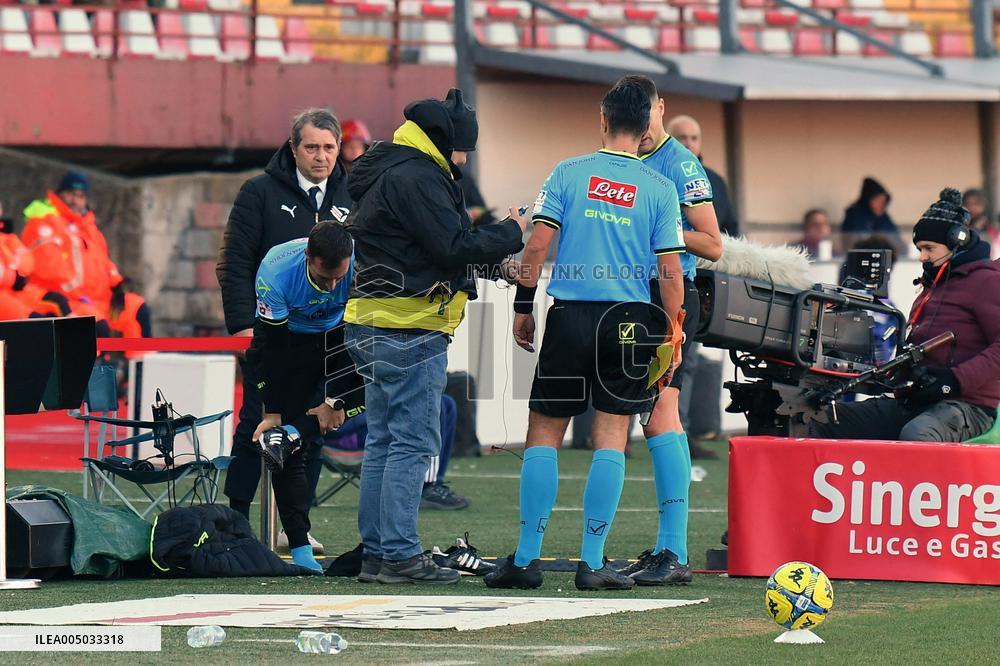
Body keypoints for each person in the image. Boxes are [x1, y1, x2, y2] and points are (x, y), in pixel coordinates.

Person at [484, 79, 686, 592]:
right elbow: (669, 270)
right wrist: (674, 330)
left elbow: (535, 249)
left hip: (570, 315)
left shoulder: (568, 173)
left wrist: (525, 305)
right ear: (645, 130)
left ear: (602, 120)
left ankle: (526, 559)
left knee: (544, 434)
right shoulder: (660, 189)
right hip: (632, 321)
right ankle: (591, 563)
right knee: (612, 437)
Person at [344, 88, 525, 584]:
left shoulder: (389, 165)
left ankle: (379, 555)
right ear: (444, 141)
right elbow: (450, 246)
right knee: (410, 443)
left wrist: (490, 263)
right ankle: (400, 555)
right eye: (463, 149)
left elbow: (422, 249)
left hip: (370, 322)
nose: (464, 159)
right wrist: (511, 230)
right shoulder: (418, 176)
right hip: (410, 327)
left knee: (383, 441)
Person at [217, 107, 352, 555]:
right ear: (293, 148)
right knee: (254, 423)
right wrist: (240, 324)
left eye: (329, 147)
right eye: (311, 147)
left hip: (325, 336)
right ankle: (235, 520)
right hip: (270, 330)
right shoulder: (258, 191)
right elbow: (235, 260)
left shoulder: (354, 195)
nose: (321, 156)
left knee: (308, 429)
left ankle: (295, 525)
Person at [607, 75, 722, 586]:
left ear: (660, 107)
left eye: (651, 112)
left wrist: (658, 226)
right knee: (648, 417)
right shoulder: (619, 156)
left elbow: (713, 243)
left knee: (659, 417)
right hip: (630, 297)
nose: (646, 124)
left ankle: (673, 551)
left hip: (669, 297)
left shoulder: (680, 165)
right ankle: (667, 549)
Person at [810, 188, 999, 442]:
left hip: (969, 407)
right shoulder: (932, 286)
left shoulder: (987, 282)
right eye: (919, 248)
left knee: (917, 434)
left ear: (958, 240)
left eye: (929, 248)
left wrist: (954, 379)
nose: (922, 256)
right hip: (919, 401)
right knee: (820, 419)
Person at [249, 221, 364, 571]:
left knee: (366, 398)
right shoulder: (276, 272)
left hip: (342, 338)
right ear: (307, 258)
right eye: (324, 278)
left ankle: (295, 432)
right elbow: (276, 350)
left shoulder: (363, 261)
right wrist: (273, 411)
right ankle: (299, 545)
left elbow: (362, 332)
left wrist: (337, 401)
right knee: (279, 444)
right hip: (290, 341)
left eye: (337, 278)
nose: (331, 287)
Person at [22, 171, 150, 337]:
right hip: (67, 300)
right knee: (96, 325)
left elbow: (104, 262)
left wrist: (117, 286)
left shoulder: (89, 228)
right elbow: (49, 270)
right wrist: (81, 296)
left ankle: (139, 362)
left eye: (81, 196)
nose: (75, 200)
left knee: (137, 310)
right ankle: (100, 363)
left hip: (98, 300)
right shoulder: (43, 222)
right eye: (70, 194)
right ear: (59, 194)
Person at [665, 114, 739, 238]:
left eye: (694, 138)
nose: (689, 144)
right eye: (682, 138)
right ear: (669, 139)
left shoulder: (716, 181)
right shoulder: (656, 174)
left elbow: (730, 228)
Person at [842, 177, 905, 257]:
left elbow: (897, 242)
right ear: (868, 199)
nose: (881, 205)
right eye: (877, 201)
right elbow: (856, 244)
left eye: (883, 202)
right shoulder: (855, 215)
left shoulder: (884, 217)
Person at [963, 188, 999, 258]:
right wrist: (975, 229)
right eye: (968, 204)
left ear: (984, 206)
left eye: (976, 204)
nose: (972, 208)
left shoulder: (991, 227)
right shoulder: (961, 226)